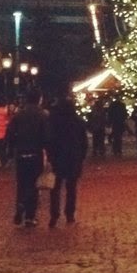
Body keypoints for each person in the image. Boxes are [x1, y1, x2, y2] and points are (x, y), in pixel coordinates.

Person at [6, 87, 50, 227]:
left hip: (21, 154)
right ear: (39, 99)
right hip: (36, 153)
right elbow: (47, 136)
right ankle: (30, 216)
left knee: (22, 183)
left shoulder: (19, 115)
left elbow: (10, 133)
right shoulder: (43, 115)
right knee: (34, 184)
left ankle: (20, 203)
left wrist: (12, 148)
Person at [46, 96, 88, 227]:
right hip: (73, 157)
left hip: (58, 157)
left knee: (55, 188)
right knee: (71, 188)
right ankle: (70, 214)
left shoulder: (54, 121)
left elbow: (49, 140)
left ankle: (54, 215)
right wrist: (81, 156)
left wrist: (50, 156)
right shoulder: (78, 121)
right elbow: (84, 142)